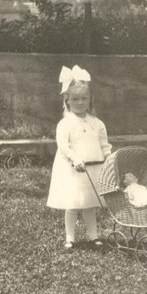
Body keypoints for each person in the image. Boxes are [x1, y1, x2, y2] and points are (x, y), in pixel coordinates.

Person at [46, 65, 112, 250]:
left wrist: (109, 158)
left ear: (90, 99)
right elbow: (63, 146)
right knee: (73, 204)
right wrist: (75, 158)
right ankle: (70, 237)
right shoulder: (65, 123)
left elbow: (104, 144)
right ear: (67, 100)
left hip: (93, 167)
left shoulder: (97, 123)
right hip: (73, 170)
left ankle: (93, 235)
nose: (80, 103)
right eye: (75, 99)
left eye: (84, 98)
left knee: (90, 204)